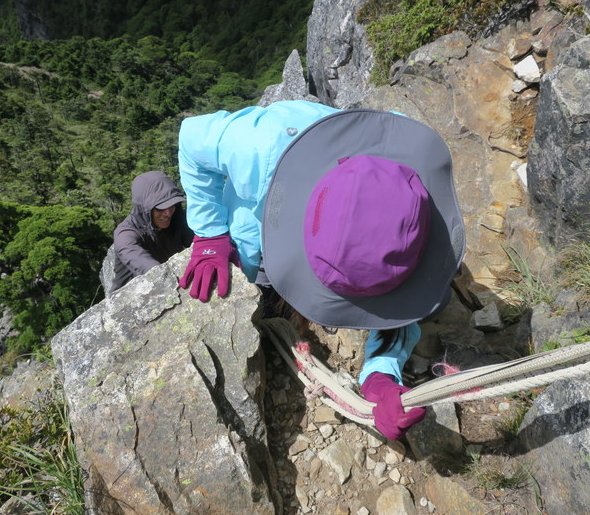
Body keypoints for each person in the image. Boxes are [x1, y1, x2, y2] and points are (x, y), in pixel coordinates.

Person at [177, 100, 465, 441]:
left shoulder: (403, 179)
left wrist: (381, 377)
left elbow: (399, 305)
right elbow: (192, 137)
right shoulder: (256, 147)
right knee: (253, 277)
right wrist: (210, 233)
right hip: (255, 212)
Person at [110, 171, 193, 293]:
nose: (168, 213)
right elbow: (146, 266)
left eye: (172, 205)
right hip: (131, 298)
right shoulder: (126, 234)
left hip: (169, 285)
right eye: (161, 208)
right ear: (144, 208)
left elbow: (199, 239)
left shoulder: (177, 218)